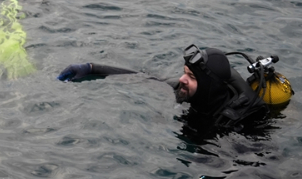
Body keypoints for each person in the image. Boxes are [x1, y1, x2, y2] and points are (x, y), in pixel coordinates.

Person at [57, 44, 272, 136]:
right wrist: (91, 68)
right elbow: (143, 77)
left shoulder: (240, 126)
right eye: (184, 72)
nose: (182, 79)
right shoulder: (191, 92)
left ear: (208, 86)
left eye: (191, 76)